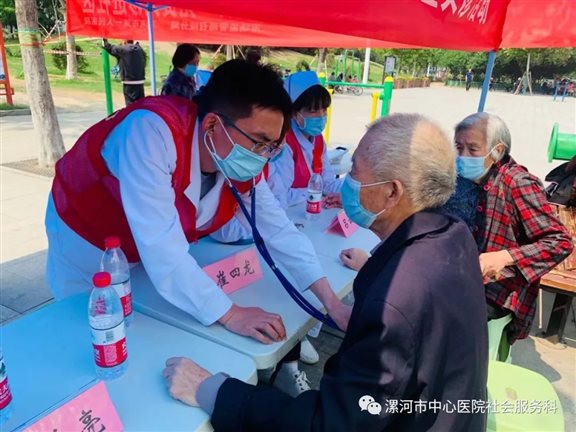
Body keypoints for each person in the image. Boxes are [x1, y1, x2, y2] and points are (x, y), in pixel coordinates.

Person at [163, 113, 489, 432]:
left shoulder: (395, 303)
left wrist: (215, 391)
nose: (348, 181)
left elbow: (330, 424)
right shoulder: (454, 235)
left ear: (392, 192)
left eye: (355, 170)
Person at [45, 60, 351, 351]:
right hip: (87, 242)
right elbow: (163, 250)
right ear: (213, 124)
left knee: (143, 327)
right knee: (91, 331)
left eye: (271, 147)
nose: (263, 156)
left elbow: (279, 231)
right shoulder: (151, 131)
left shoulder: (235, 159)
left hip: (141, 253)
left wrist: (332, 304)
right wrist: (230, 314)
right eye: (259, 142)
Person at [342, 113, 574, 349]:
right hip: (456, 273)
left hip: (492, 292)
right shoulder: (461, 178)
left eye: (473, 149)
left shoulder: (518, 184)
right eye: (458, 147)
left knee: (404, 306)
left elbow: (560, 242)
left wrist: (506, 257)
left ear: (497, 151)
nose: (463, 156)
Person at [103, 39, 146, 105]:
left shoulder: (123, 49)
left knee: (130, 105)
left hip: (128, 82)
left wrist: (104, 40)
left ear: (125, 41)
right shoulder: (139, 49)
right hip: (140, 81)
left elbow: (110, 48)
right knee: (140, 104)